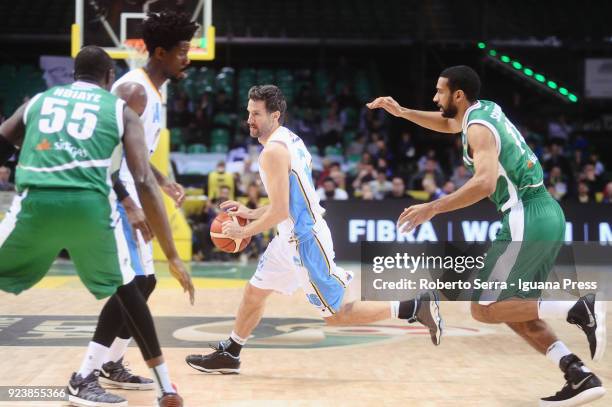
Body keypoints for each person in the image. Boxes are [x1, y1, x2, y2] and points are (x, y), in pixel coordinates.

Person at [367, 65, 606, 407]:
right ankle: (578, 374)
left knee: (484, 308)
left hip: (527, 214)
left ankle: (578, 306)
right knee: (510, 310)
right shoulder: (482, 111)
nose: (435, 98)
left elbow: (485, 183)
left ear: (458, 95)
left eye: (440, 91)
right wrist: (402, 112)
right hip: (540, 213)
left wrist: (430, 208)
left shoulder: (478, 129)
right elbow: (448, 123)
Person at [185, 85, 443, 374]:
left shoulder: (273, 152)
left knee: (337, 315)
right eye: (248, 112)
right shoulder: (290, 139)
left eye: (256, 114)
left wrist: (243, 232)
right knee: (254, 292)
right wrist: (250, 212)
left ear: (275, 115)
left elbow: (283, 210)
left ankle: (413, 306)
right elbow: (287, 203)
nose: (250, 119)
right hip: (288, 237)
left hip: (303, 241)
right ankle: (231, 353)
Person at [0, 46, 192, 407]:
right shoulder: (120, 109)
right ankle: (164, 387)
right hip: (90, 210)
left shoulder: (40, 100)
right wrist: (171, 251)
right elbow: (140, 178)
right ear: (108, 79)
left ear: (73, 75)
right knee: (130, 289)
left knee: (138, 283)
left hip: (36, 202)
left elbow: (2, 141)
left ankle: (104, 368)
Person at [68, 11, 199, 405]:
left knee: (144, 282)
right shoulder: (132, 90)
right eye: (181, 52)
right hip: (115, 198)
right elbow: (105, 147)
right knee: (133, 287)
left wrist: (161, 179)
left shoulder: (154, 93)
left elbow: (135, 152)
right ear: (159, 52)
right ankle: (84, 374)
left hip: (128, 196)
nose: (186, 59)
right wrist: (127, 198)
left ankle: (111, 363)